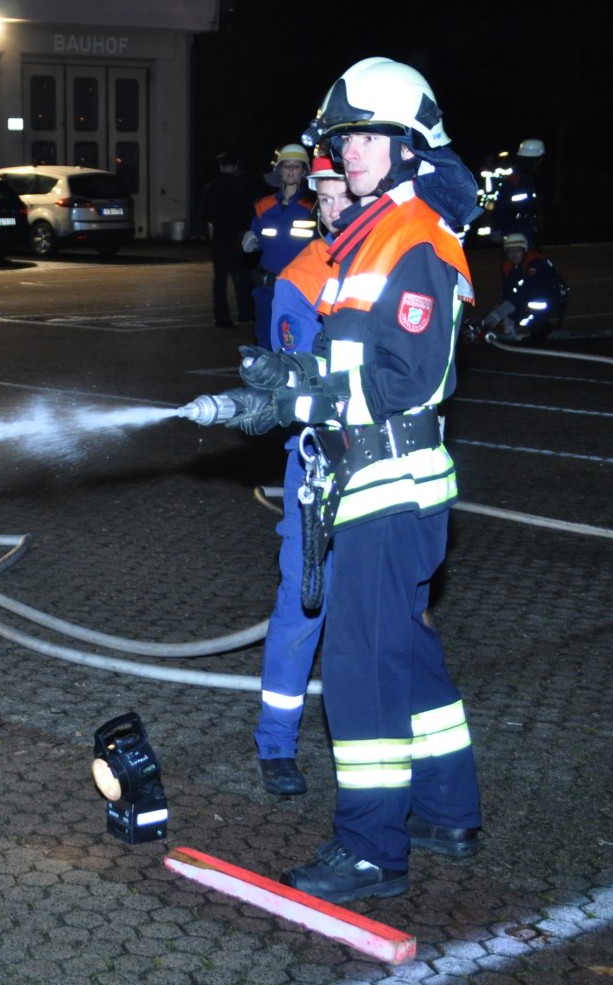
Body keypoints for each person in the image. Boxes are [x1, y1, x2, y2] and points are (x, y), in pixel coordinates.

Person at [209, 56, 485, 903]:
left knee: (360, 669)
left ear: (408, 148)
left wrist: (300, 399)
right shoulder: (366, 235)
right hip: (374, 484)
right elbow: (350, 360)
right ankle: (447, 810)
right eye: (341, 138)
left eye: (366, 137)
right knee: (406, 651)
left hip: (389, 485)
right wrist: (283, 382)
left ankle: (370, 850)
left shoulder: (415, 240)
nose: (347, 152)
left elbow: (407, 380)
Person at [253, 154, 354, 796]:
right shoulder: (303, 276)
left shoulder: (397, 260)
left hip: (388, 467)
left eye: (348, 196)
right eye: (328, 197)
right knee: (303, 601)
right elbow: (300, 380)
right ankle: (276, 744)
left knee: (386, 609)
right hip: (320, 462)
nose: (336, 209)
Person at [243, 144, 317, 349]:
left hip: (301, 288)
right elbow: (257, 239)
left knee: (298, 341)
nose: (291, 170)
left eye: (296, 166)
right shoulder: (263, 206)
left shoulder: (315, 206)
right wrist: (251, 241)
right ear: (279, 170)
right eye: (286, 165)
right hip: (268, 288)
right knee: (266, 340)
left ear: (304, 172)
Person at [475, 231, 568, 342]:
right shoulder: (509, 267)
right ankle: (526, 329)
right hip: (533, 297)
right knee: (513, 307)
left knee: (521, 305)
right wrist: (500, 307)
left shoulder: (535, 262)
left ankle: (540, 327)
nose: (513, 255)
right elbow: (508, 290)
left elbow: (527, 288)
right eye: (510, 251)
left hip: (552, 297)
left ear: (524, 250)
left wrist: (501, 312)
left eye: (517, 250)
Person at [201, 151, 257, 328]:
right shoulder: (240, 186)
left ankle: (221, 316)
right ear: (235, 166)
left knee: (220, 279)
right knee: (241, 277)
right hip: (238, 237)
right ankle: (245, 313)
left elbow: (205, 213)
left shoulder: (211, 188)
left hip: (219, 237)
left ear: (220, 166)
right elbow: (249, 211)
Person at [491, 137, 544, 246]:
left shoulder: (529, 178)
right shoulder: (517, 179)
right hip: (514, 227)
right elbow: (501, 203)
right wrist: (496, 228)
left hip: (523, 225)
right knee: (519, 253)